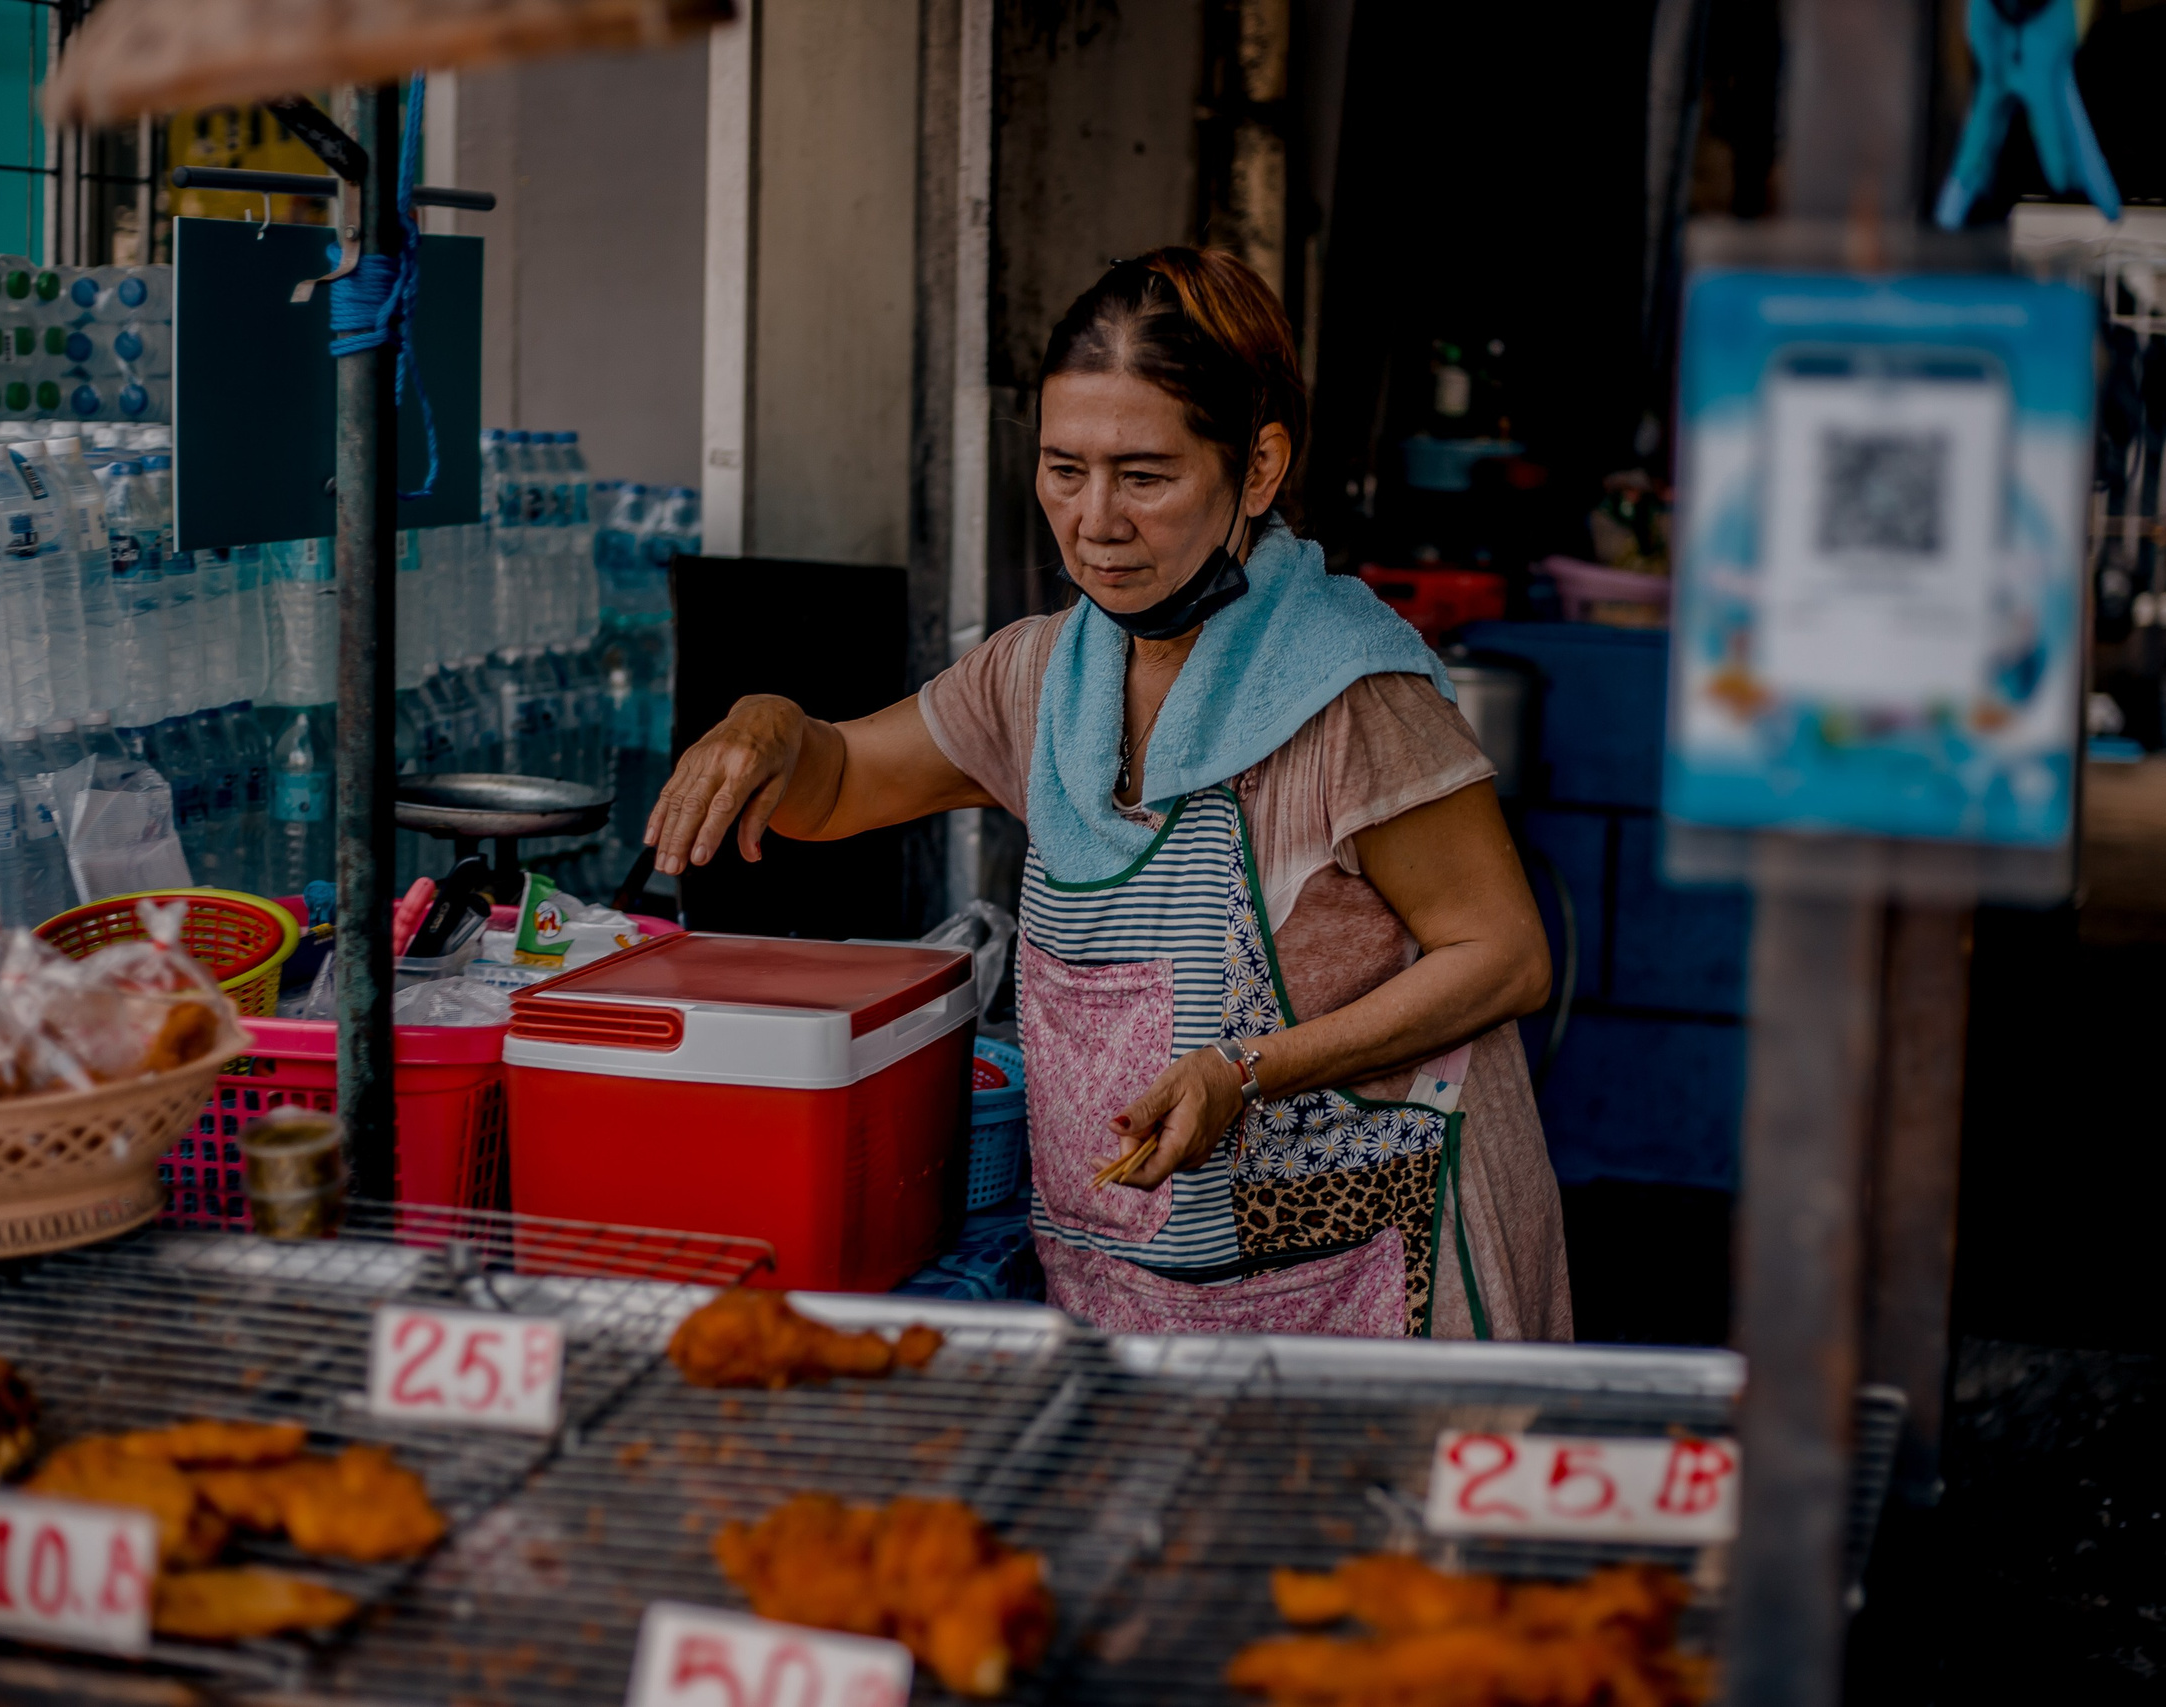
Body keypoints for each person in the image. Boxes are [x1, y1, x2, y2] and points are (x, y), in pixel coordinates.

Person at [646, 248, 1570, 1340]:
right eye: (1063, 469)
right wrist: (766, 722)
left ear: (1258, 468)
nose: (1094, 521)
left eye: (1144, 475)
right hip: (1135, 1285)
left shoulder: (1348, 690)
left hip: (1375, 1280)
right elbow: (837, 781)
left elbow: (1502, 957)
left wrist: (1246, 1071)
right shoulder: (1042, 676)